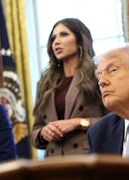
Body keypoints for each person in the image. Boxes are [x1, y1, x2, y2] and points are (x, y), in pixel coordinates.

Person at [30, 18, 108, 157]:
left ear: (79, 41)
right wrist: (43, 133)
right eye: (53, 38)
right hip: (53, 164)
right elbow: (36, 130)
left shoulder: (98, 74)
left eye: (64, 34)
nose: (56, 42)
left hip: (87, 159)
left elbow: (115, 120)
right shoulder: (45, 82)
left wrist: (78, 123)